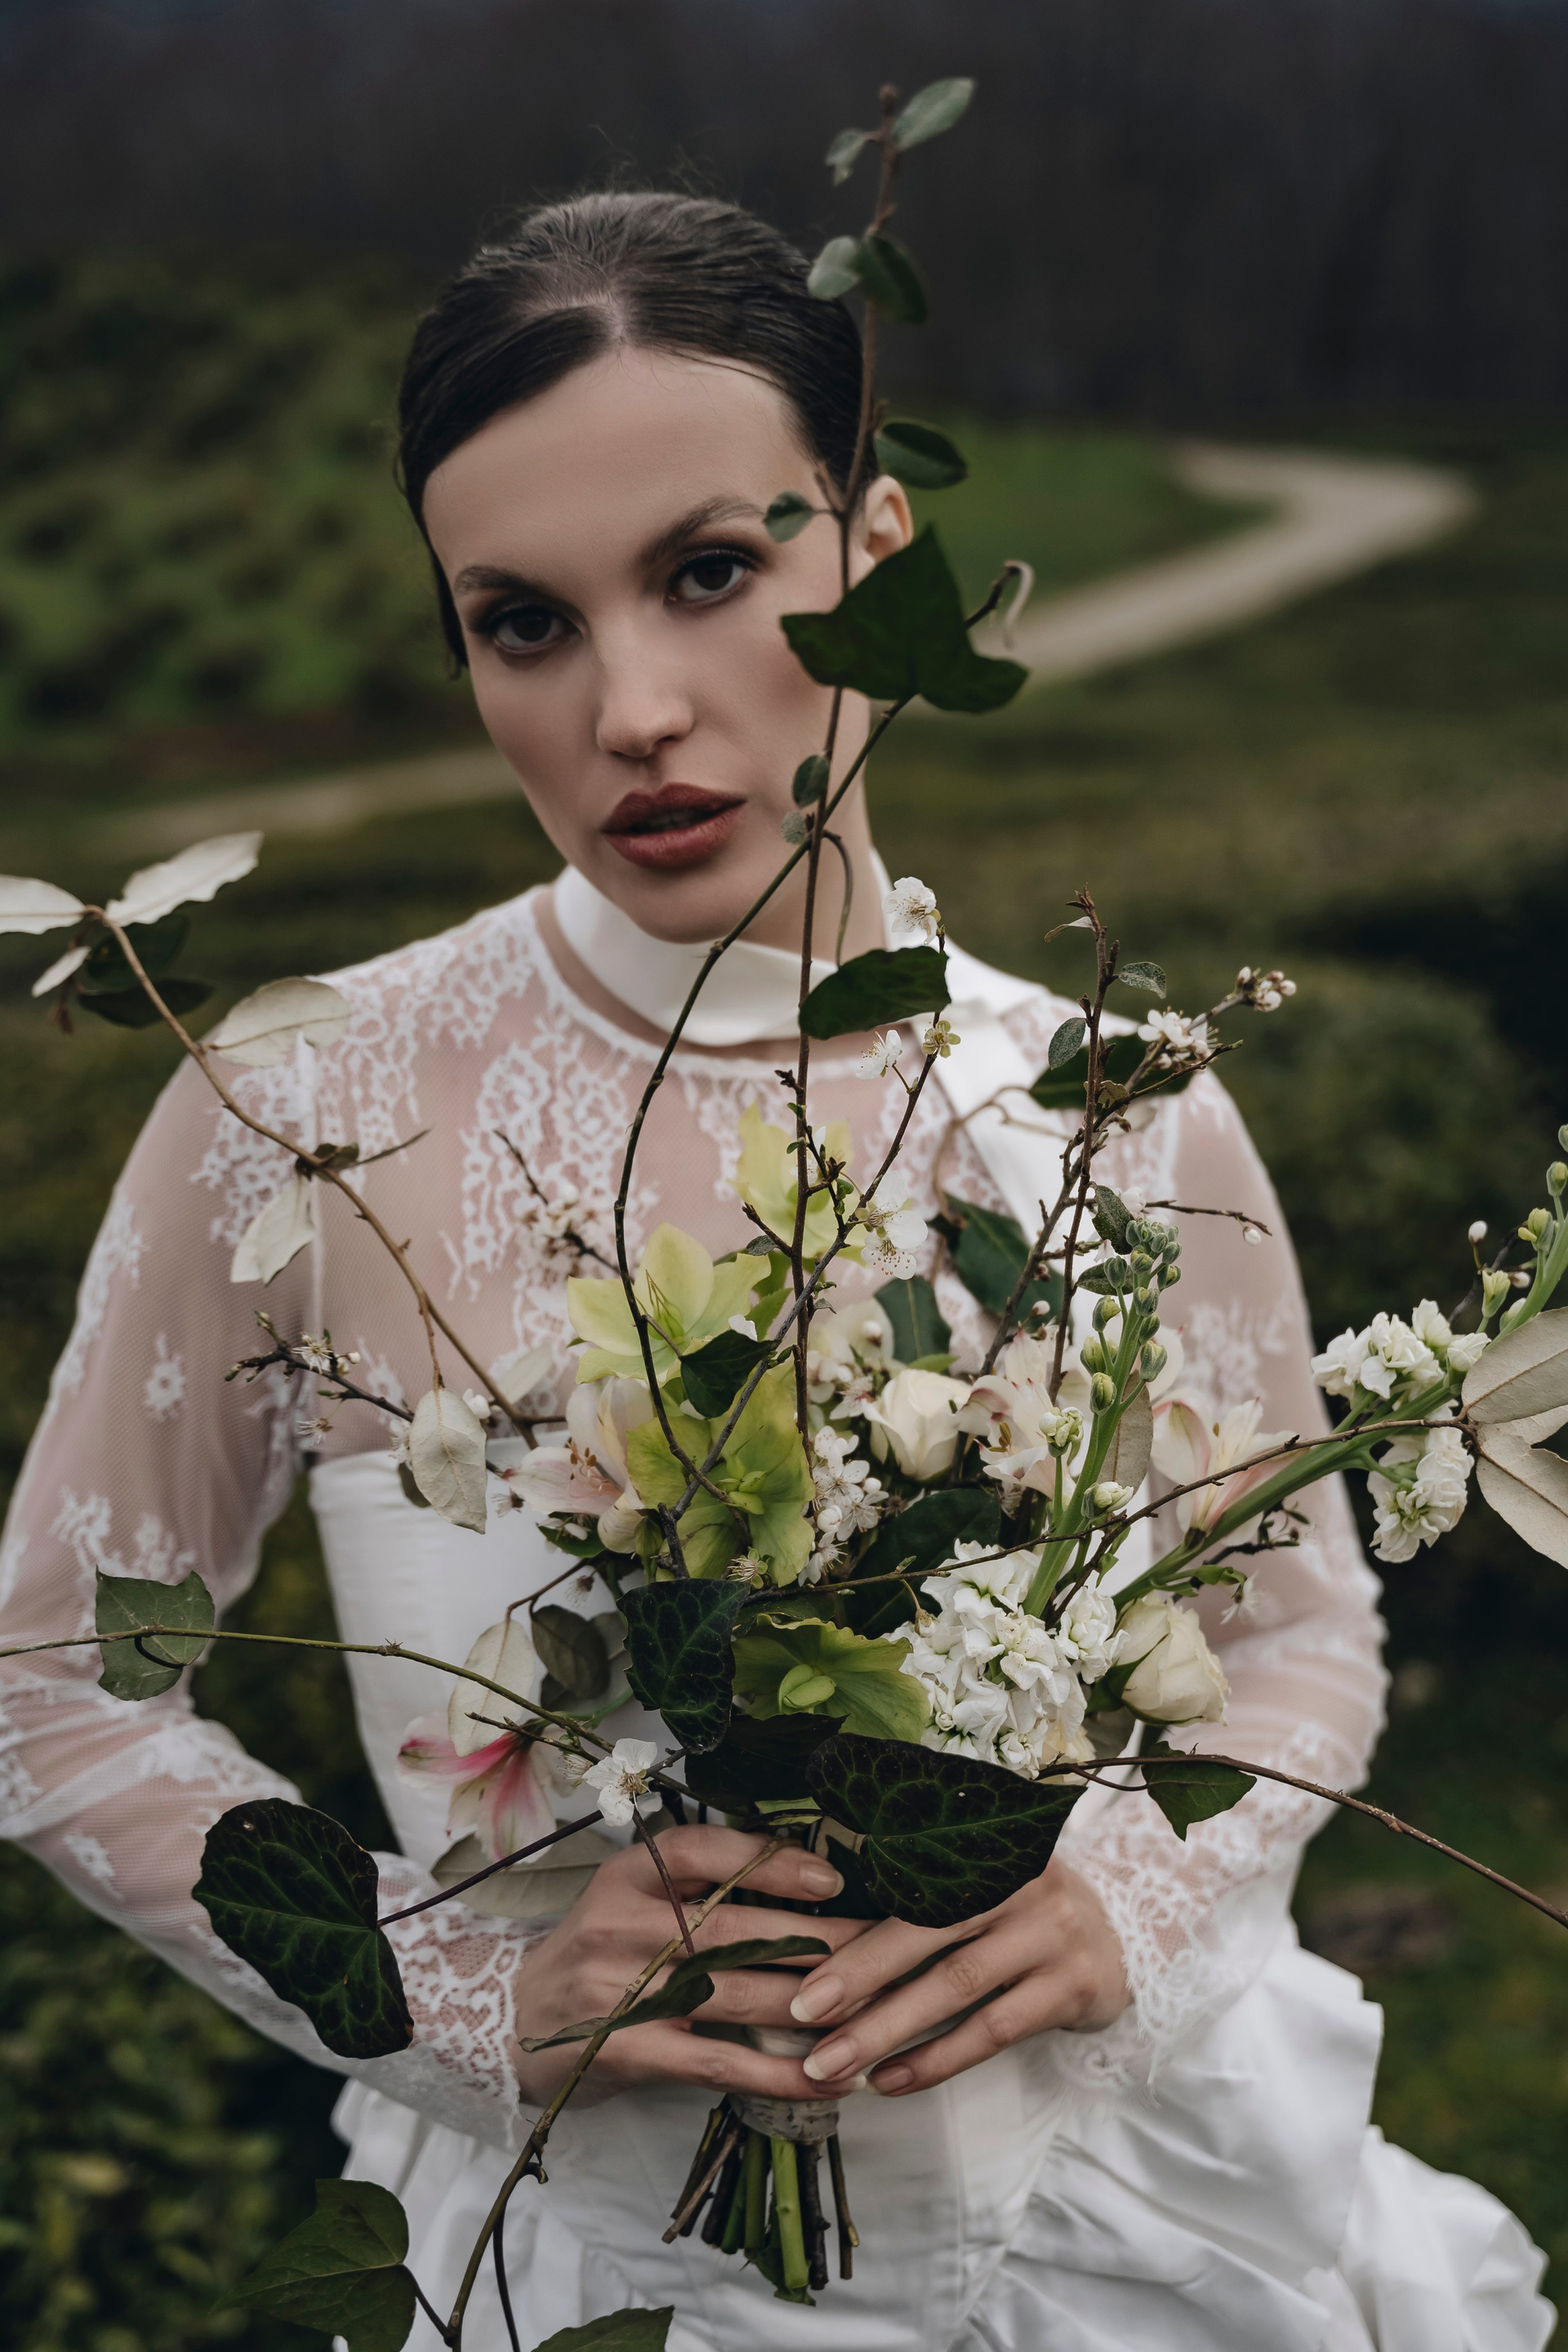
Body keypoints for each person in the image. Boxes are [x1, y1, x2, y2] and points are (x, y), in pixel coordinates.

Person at [0, 192, 1552, 2352]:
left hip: (1129, 2240)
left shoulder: (1116, 1113)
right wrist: (467, 1995)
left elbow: (1291, 1630)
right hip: (595, 2276)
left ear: (880, 551)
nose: (631, 707)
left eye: (711, 572)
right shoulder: (297, 1118)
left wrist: (1133, 1894)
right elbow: (50, 1675)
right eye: (522, 623)